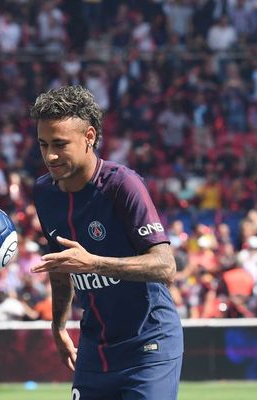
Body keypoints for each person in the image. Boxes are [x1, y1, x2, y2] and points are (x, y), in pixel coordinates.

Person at [29, 85, 183, 400]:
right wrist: (59, 326)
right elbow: (61, 267)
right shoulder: (44, 193)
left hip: (148, 344)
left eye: (60, 144)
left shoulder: (122, 185)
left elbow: (166, 266)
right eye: (43, 145)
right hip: (94, 349)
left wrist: (95, 263)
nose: (50, 156)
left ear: (89, 137)